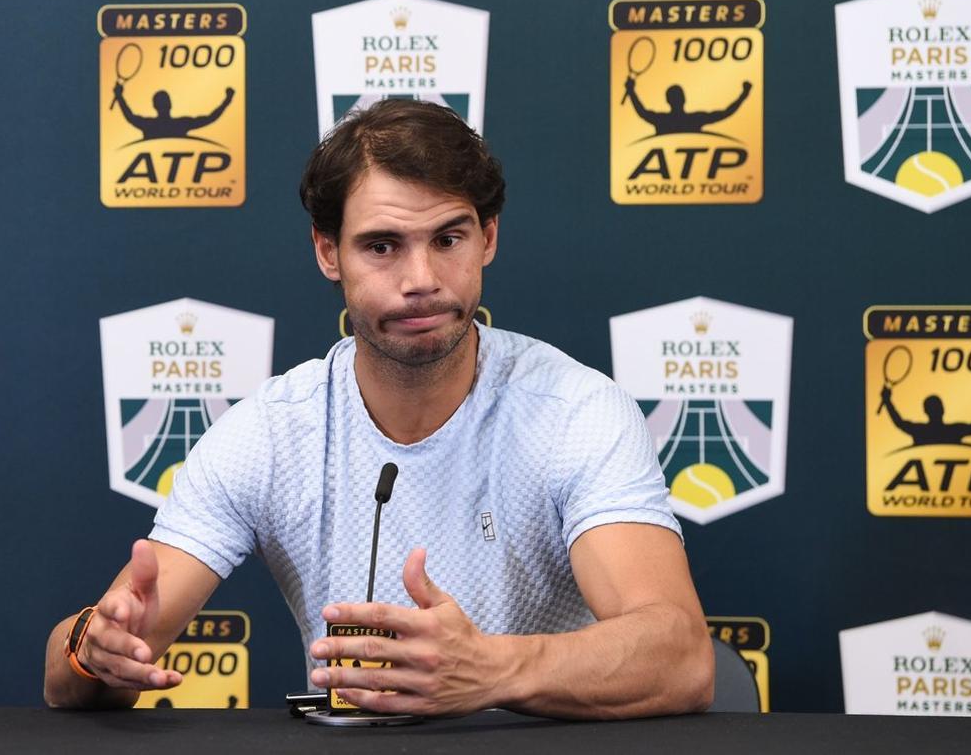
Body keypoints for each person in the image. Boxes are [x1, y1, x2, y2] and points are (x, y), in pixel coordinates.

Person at [44, 99, 714, 719]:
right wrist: (93, 650)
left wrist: (494, 670)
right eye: (383, 245)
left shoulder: (575, 412)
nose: (421, 279)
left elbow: (682, 657)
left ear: (488, 239)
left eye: (448, 239)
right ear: (328, 251)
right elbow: (70, 675)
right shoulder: (271, 433)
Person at [624, 77, 751, 136]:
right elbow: (726, 113)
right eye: (677, 96)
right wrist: (744, 94)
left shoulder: (661, 120)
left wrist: (631, 91)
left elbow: (642, 112)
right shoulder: (695, 119)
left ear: (667, 101)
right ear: (684, 99)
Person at [113, 83, 235, 141]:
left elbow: (130, 117)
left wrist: (119, 96)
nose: (164, 104)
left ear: (154, 106)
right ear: (170, 104)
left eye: (164, 101)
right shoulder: (180, 124)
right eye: (164, 101)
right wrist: (227, 100)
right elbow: (210, 118)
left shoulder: (149, 125)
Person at [881, 387, 971, 447]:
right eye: (935, 407)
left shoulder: (920, 431)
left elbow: (899, 423)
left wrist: (887, 401)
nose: (937, 409)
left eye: (937, 407)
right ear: (943, 409)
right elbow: (899, 423)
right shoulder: (954, 430)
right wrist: (887, 401)